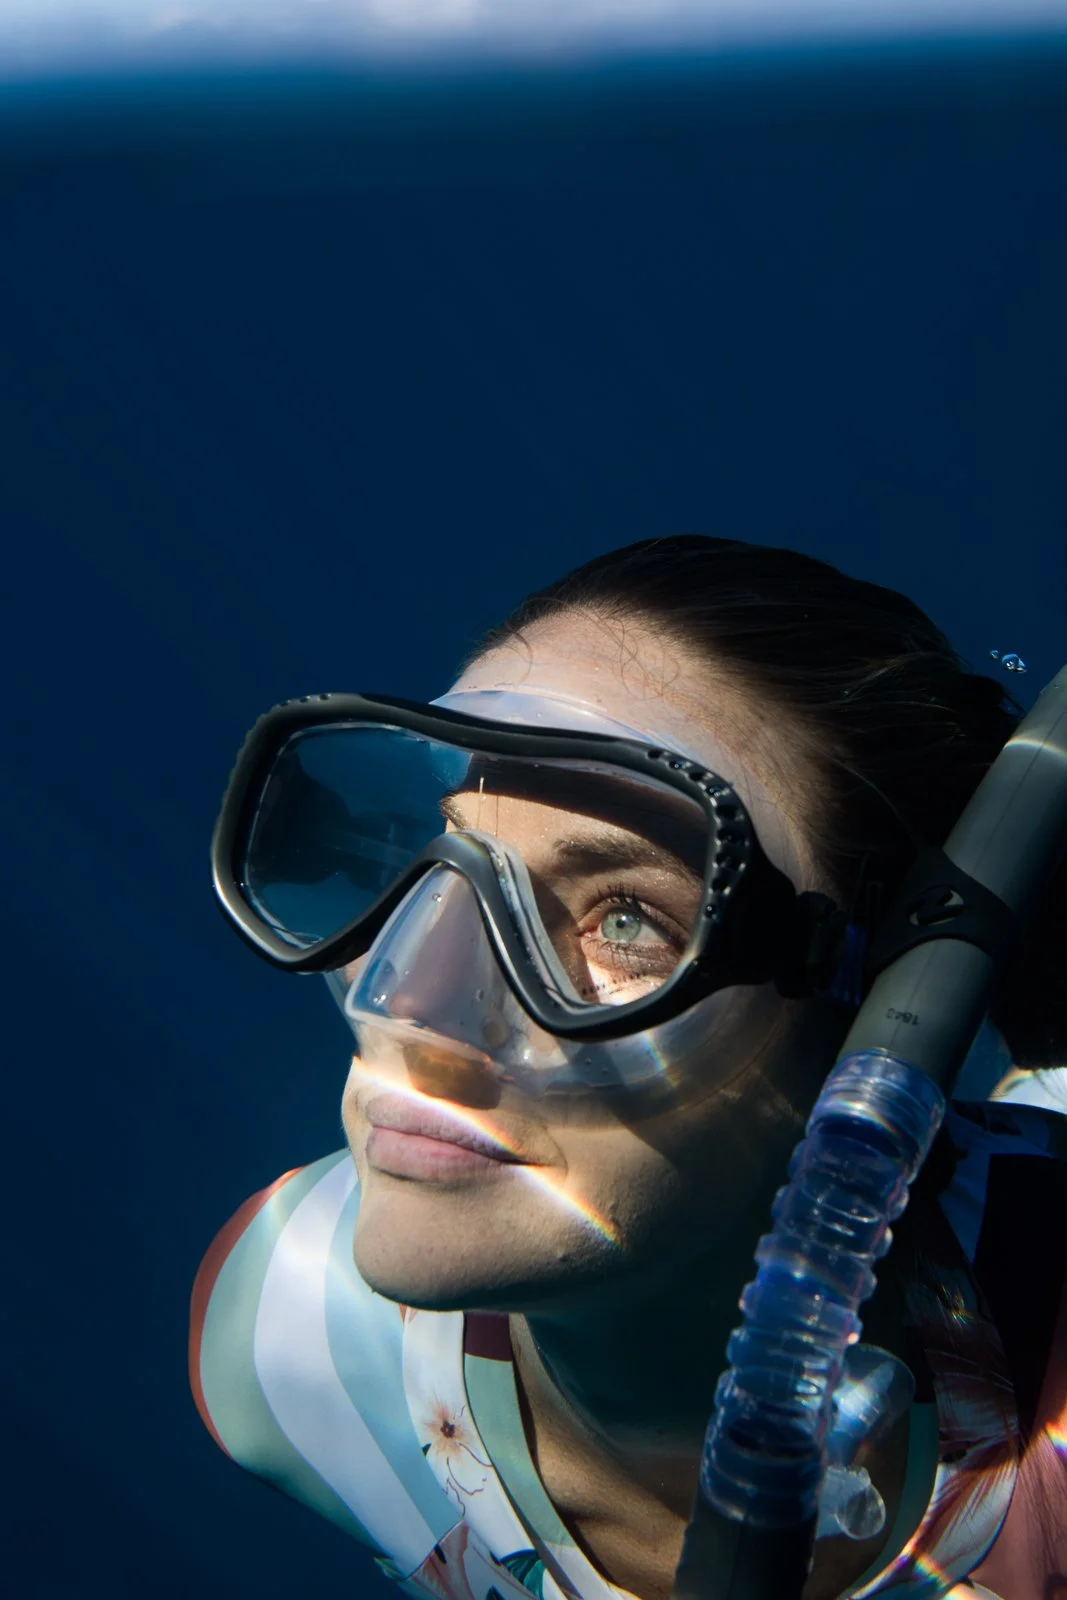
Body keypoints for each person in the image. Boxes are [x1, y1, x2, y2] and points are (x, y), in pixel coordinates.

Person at [191, 536, 1067, 1600]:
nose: (400, 1002)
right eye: (433, 861)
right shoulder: (290, 1350)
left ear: (866, 1023)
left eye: (620, 916)